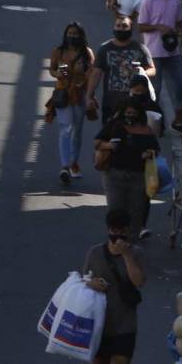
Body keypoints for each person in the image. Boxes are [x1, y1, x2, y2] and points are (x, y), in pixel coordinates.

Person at [137, 0, 182, 139]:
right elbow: (141, 26)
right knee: (155, 90)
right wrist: (158, 27)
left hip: (172, 51)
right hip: (154, 52)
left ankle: (178, 121)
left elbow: (178, 22)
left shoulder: (175, 0)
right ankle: (152, 124)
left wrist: (176, 30)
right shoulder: (147, 1)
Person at [83, 208, 146, 364]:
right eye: (113, 230)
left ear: (128, 231)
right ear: (108, 229)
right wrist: (91, 284)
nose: (117, 235)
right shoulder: (95, 253)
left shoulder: (136, 254)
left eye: (121, 231)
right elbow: (82, 281)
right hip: (98, 324)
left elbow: (139, 282)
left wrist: (126, 255)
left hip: (125, 325)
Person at [94, 101, 160, 240]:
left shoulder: (146, 130)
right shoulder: (114, 126)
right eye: (128, 113)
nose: (130, 116)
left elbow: (155, 149)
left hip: (139, 176)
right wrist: (109, 145)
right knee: (116, 211)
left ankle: (131, 241)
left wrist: (149, 153)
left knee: (136, 212)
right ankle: (115, 239)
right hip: (115, 175)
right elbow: (97, 143)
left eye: (134, 113)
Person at [47, 22, 95, 183]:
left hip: (80, 96)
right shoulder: (58, 51)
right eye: (70, 33)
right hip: (63, 94)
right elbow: (52, 69)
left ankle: (74, 161)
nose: (72, 36)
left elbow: (93, 73)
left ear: (81, 36)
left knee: (77, 131)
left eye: (75, 34)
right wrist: (58, 73)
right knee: (65, 129)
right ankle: (65, 166)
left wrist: (85, 82)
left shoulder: (87, 53)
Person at [86, 14, 155, 123]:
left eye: (124, 26)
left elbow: (152, 69)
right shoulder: (105, 49)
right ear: (114, 27)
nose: (120, 28)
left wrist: (142, 73)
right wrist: (89, 96)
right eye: (118, 26)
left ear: (130, 29)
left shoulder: (140, 48)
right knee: (110, 136)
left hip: (135, 104)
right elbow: (96, 73)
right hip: (111, 103)